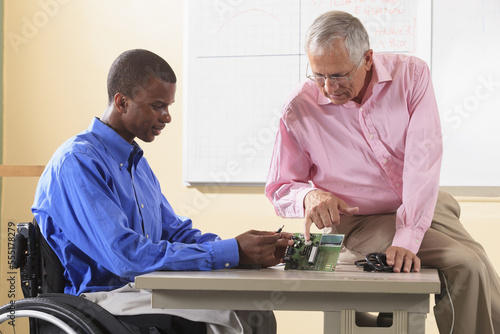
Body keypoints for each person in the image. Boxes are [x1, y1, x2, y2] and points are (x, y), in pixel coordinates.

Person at [265, 10, 500, 334]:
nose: (328, 88)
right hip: (358, 218)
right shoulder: (299, 107)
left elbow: (423, 160)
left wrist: (407, 236)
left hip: (416, 206)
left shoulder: (411, 75)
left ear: (367, 59)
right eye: (317, 75)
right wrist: (309, 195)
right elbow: (280, 185)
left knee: (481, 265)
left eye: (338, 75)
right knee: (466, 263)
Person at [32, 49, 292, 334]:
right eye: (158, 106)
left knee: (254, 309)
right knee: (225, 320)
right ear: (122, 102)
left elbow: (176, 233)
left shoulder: (136, 164)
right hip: (100, 299)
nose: (167, 117)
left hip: (139, 290)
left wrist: (245, 251)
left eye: (168, 106)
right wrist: (231, 252)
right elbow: (125, 256)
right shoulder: (78, 162)